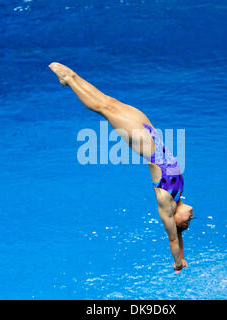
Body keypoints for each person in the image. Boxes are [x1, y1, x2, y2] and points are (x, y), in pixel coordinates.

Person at [49, 62, 193, 273]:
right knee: (110, 102)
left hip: (144, 142)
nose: (190, 219)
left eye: (186, 223)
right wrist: (183, 254)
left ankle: (70, 79)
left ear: (175, 221)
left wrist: (177, 263)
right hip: (150, 131)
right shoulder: (177, 195)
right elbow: (179, 237)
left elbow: (173, 237)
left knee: (105, 108)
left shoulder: (166, 205)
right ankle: (71, 78)